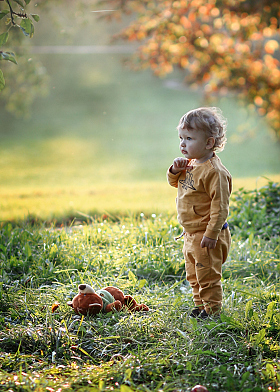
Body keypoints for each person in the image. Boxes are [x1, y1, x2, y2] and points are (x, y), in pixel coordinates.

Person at [167, 107, 232, 319]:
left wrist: (212, 234)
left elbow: (220, 207)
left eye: (189, 138)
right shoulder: (190, 164)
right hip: (190, 234)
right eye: (181, 138)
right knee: (193, 275)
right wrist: (175, 171)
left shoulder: (215, 172)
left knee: (207, 275)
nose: (183, 144)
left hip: (207, 236)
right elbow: (174, 183)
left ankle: (212, 312)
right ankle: (200, 307)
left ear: (209, 143)